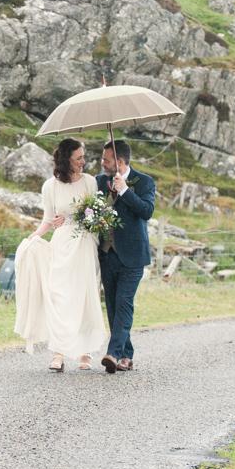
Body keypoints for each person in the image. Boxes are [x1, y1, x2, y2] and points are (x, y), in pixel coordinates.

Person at [12, 138, 108, 372]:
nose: (84, 161)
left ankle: (85, 353)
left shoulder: (89, 182)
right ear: (66, 160)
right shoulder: (50, 186)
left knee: (84, 295)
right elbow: (48, 220)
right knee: (60, 296)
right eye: (79, 158)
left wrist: (78, 219)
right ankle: (58, 352)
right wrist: (33, 238)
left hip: (84, 244)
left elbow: (96, 215)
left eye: (83, 156)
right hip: (62, 244)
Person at [96, 139, 156, 373]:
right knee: (112, 306)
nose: (102, 163)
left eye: (106, 159)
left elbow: (146, 211)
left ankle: (113, 353)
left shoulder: (144, 182)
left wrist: (124, 190)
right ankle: (126, 355)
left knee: (124, 303)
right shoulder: (99, 181)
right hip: (107, 255)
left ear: (120, 162)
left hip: (132, 256)